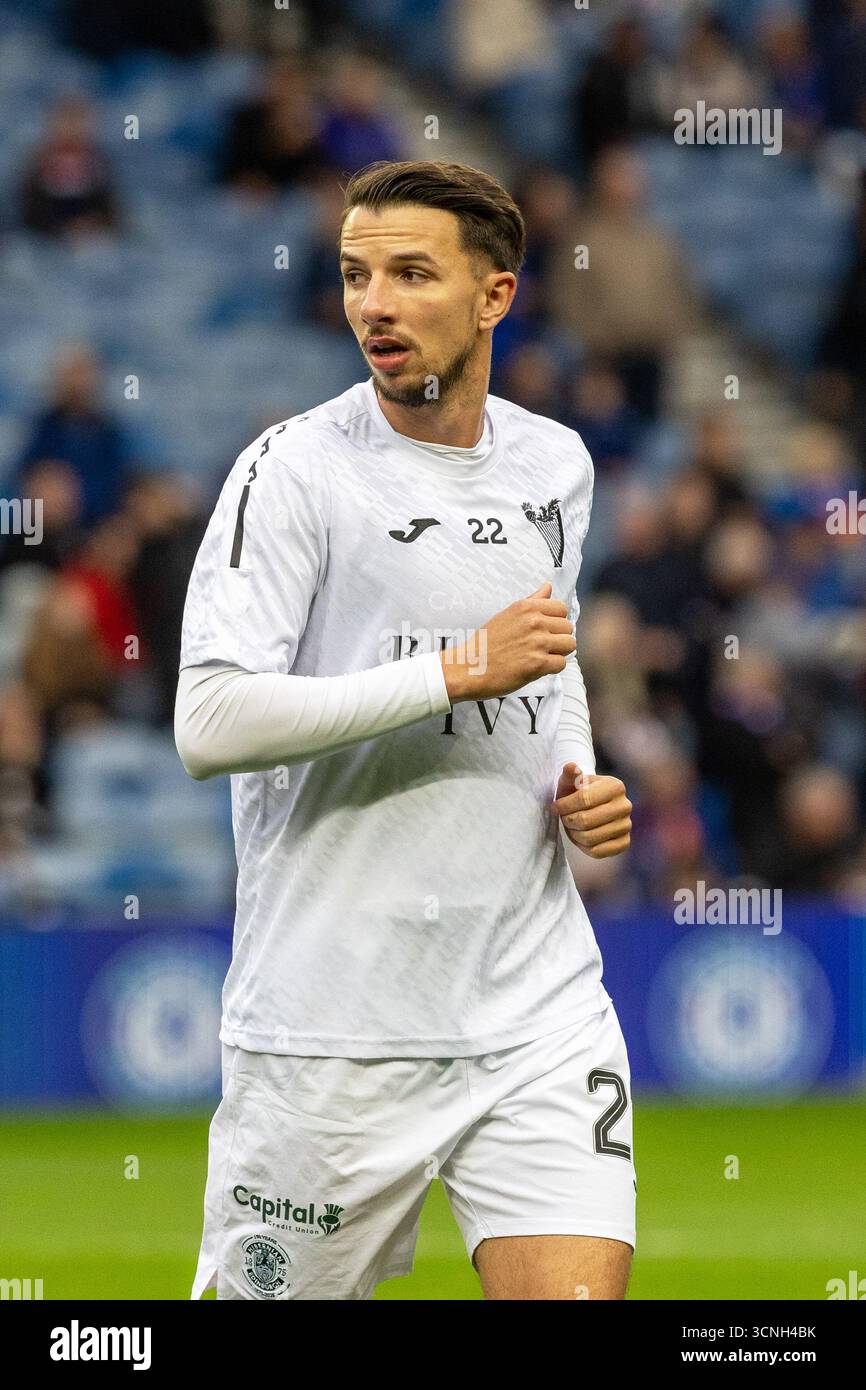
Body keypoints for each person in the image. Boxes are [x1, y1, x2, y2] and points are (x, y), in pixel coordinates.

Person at [175, 160, 635, 1301]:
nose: (373, 305)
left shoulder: (555, 464)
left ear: (494, 296)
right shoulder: (292, 471)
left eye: (411, 275)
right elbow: (209, 719)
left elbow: (549, 653)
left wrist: (575, 775)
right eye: (354, 275)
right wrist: (451, 672)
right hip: (332, 1033)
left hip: (533, 1006)